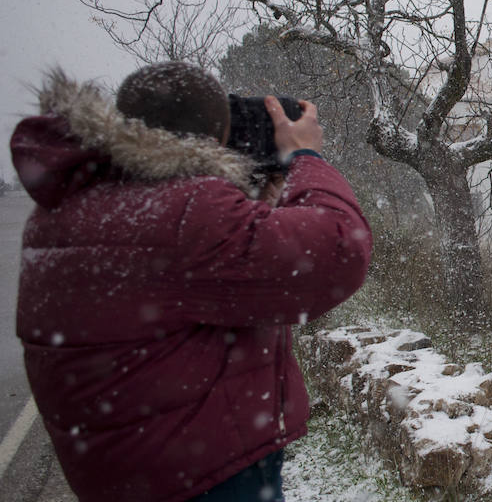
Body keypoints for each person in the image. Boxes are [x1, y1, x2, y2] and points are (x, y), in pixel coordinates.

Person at [10, 62, 372, 501]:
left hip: (122, 470)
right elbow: (339, 250)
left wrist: (258, 203)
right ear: (214, 137)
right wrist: (305, 156)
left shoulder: (69, 207)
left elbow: (209, 274)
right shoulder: (186, 215)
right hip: (202, 477)